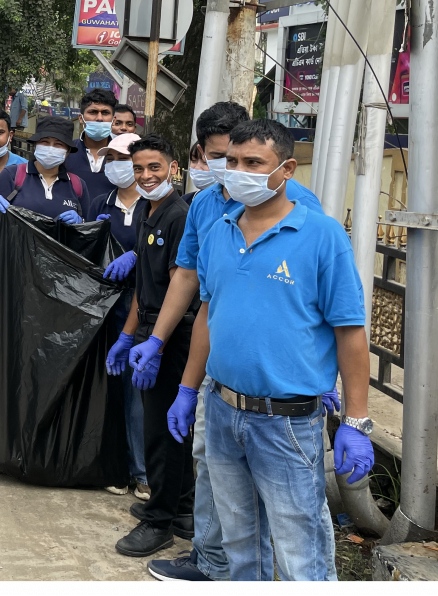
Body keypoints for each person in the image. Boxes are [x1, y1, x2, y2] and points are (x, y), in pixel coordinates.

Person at [168, 119, 372, 582]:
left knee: (302, 555)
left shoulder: (321, 236)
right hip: (222, 411)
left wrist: (356, 421)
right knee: (241, 547)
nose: (238, 172)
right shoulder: (219, 231)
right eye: (232, 161)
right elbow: (208, 315)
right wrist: (187, 389)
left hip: (286, 423)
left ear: (286, 169)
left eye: (253, 163)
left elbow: (350, 332)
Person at [135, 101, 323, 583]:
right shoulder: (206, 207)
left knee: (296, 508)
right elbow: (193, 284)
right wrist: (159, 344)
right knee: (212, 466)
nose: (232, 170)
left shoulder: (302, 209)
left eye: (242, 159)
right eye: (221, 158)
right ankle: (212, 560)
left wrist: (329, 377)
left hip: (283, 381)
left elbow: (326, 300)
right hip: (220, 369)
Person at [103, 135, 193, 558]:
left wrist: (156, 342)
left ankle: (159, 521)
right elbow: (145, 283)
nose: (145, 176)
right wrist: (127, 335)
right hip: (149, 329)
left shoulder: (178, 215)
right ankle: (183, 509)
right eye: (138, 169)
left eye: (154, 167)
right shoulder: (146, 210)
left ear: (172, 168)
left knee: (161, 430)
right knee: (166, 428)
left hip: (170, 335)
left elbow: (180, 287)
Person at [87, 132, 148, 502]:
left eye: (123, 159)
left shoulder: (153, 205)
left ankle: (142, 472)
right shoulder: (101, 202)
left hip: (142, 308)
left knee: (136, 392)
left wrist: (137, 255)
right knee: (108, 386)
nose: (116, 165)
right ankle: (115, 467)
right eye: (111, 158)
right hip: (105, 305)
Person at [0, 116, 85, 238]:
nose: (50, 149)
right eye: (45, 142)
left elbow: (86, 235)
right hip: (16, 250)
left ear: (68, 151)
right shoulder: (12, 175)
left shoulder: (77, 185)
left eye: (58, 144)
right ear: (35, 145)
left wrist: (80, 224)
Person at [66, 88, 117, 207]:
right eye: (93, 112)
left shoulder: (124, 154)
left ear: (114, 120)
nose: (99, 118)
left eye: (105, 113)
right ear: (81, 118)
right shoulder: (66, 151)